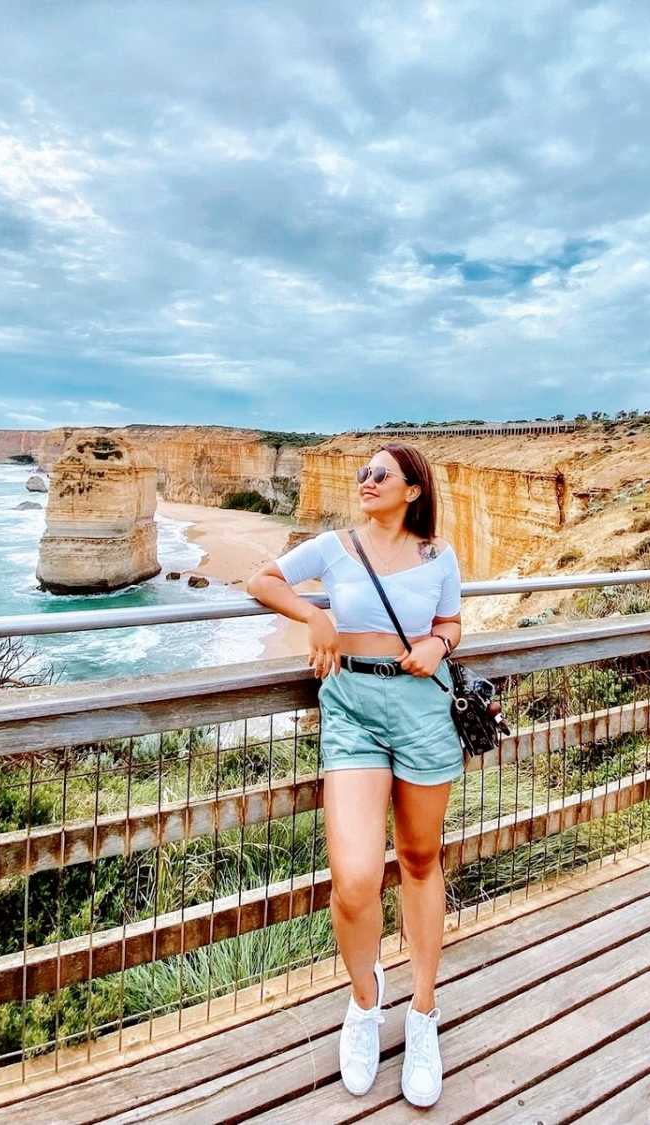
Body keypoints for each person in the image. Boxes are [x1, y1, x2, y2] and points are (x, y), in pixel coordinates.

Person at [245, 444, 464, 1108]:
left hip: (422, 707)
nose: (365, 481)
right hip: (353, 711)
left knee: (422, 859)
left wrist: (437, 642)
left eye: (380, 474)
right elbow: (262, 579)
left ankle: (422, 1013)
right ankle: (365, 1003)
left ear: (412, 492)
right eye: (362, 472)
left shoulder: (438, 557)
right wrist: (314, 613)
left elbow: (452, 621)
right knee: (356, 878)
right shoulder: (335, 546)